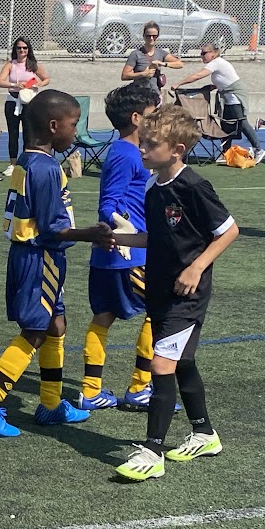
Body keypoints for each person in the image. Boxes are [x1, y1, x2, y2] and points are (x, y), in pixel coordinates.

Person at [0, 90, 107, 438]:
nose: (76, 131)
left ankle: (51, 404)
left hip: (42, 259)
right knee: (36, 330)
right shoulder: (44, 168)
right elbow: (53, 228)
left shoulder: (29, 160)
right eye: (74, 125)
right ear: (54, 126)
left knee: (56, 325)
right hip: (38, 258)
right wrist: (92, 234)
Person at [108, 106, 239, 482]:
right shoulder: (153, 186)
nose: (143, 150)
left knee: (160, 365)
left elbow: (229, 231)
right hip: (160, 290)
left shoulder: (194, 186)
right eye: (142, 142)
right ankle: (204, 433)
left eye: (151, 144)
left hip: (188, 296)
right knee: (181, 363)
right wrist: (114, 238)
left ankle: (152, 451)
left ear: (177, 149)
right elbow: (154, 238)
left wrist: (196, 267)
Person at [75, 83, 160, 412]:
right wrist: (125, 231)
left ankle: (90, 390)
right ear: (137, 118)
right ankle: (141, 387)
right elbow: (107, 206)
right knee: (160, 313)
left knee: (103, 317)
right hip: (130, 256)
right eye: (154, 113)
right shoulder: (125, 154)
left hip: (111, 256)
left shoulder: (130, 152)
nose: (159, 117)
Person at [175, 44, 265, 164]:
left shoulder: (216, 62)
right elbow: (223, 80)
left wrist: (179, 83)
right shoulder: (216, 64)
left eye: (204, 53)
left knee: (241, 122)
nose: (202, 56)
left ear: (213, 53)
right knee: (226, 125)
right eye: (201, 53)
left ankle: (258, 149)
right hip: (226, 97)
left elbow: (198, 75)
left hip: (234, 96)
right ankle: (226, 152)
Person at [0, 37, 50, 176]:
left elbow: (46, 79)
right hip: (13, 101)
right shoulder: (10, 64)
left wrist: (38, 84)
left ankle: (25, 163)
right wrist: (14, 85)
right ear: (15, 49)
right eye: (19, 48)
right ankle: (12, 164)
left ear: (28, 49)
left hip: (28, 102)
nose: (22, 51)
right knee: (13, 134)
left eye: (25, 48)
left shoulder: (33, 65)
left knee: (28, 133)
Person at [121, 21, 181, 100]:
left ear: (158, 36)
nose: (151, 38)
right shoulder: (135, 54)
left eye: (154, 36)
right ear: (144, 36)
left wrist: (163, 64)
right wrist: (143, 74)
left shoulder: (161, 53)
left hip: (156, 94)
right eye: (148, 36)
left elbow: (180, 63)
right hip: (140, 96)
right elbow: (124, 75)